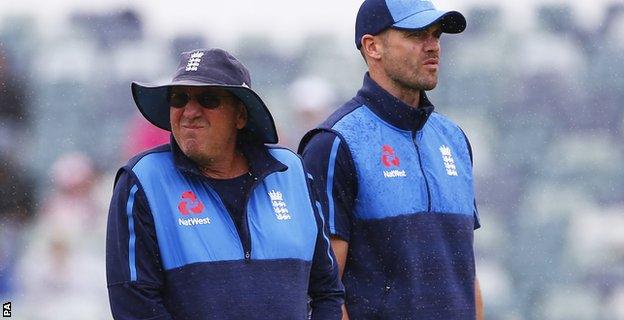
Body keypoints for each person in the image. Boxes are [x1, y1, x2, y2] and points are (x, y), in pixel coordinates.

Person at [106, 48, 344, 319]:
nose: (189, 112)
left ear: (240, 115)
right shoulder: (142, 180)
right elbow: (135, 306)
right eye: (179, 98)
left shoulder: (293, 172)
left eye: (208, 99)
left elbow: (327, 293)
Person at [298, 1, 483, 319]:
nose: (432, 47)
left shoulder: (454, 139)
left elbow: (466, 277)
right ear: (373, 47)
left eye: (436, 35)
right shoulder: (334, 144)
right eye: (416, 35)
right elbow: (321, 294)